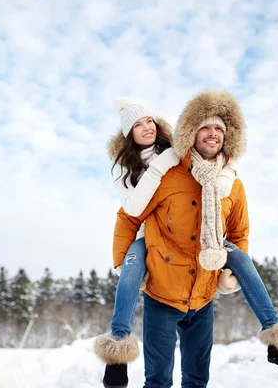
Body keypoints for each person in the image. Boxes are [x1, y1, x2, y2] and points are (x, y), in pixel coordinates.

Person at [110, 90, 278, 387]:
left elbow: (239, 233)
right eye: (205, 126)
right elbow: (128, 216)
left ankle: (277, 339)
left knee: (196, 380)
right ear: (192, 132)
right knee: (157, 381)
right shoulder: (165, 174)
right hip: (163, 293)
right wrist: (123, 262)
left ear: (228, 136)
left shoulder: (233, 184)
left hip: (202, 294)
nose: (213, 133)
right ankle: (116, 349)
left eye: (219, 128)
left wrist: (229, 274)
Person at [94, 98, 239, 388]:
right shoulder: (126, 169)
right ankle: (117, 350)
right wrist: (161, 165)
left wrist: (228, 174)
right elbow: (130, 211)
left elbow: (215, 167)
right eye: (137, 125)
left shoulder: (180, 153)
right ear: (128, 135)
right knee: (129, 271)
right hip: (146, 237)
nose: (146, 128)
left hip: (188, 257)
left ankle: (275, 332)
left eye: (149, 121)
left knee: (240, 260)